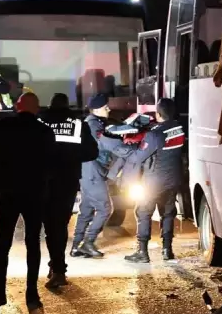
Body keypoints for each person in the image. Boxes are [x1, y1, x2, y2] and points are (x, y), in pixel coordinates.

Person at [0, 92, 58, 310]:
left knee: (3, 244)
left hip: (8, 191)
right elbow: (52, 162)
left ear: (18, 107)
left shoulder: (3, 125)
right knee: (33, 243)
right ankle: (32, 293)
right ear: (36, 109)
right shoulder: (44, 131)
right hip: (34, 192)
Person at [38, 93, 98, 288]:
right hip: (68, 180)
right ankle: (58, 268)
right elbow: (92, 152)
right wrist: (72, 156)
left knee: (49, 226)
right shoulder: (79, 124)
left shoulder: (41, 122)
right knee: (61, 225)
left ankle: (56, 267)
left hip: (44, 180)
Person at [124, 98, 185, 263]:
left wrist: (127, 149)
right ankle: (167, 250)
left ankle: (142, 252)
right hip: (173, 179)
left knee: (143, 212)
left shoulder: (154, 134)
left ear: (158, 114)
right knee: (168, 214)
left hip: (154, 182)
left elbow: (139, 156)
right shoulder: (178, 129)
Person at [72, 94, 132, 258]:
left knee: (86, 209)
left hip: (88, 171)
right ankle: (88, 242)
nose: (108, 109)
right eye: (106, 107)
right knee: (105, 208)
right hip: (92, 172)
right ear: (97, 109)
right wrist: (129, 148)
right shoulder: (93, 125)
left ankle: (76, 246)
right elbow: (107, 143)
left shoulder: (93, 123)